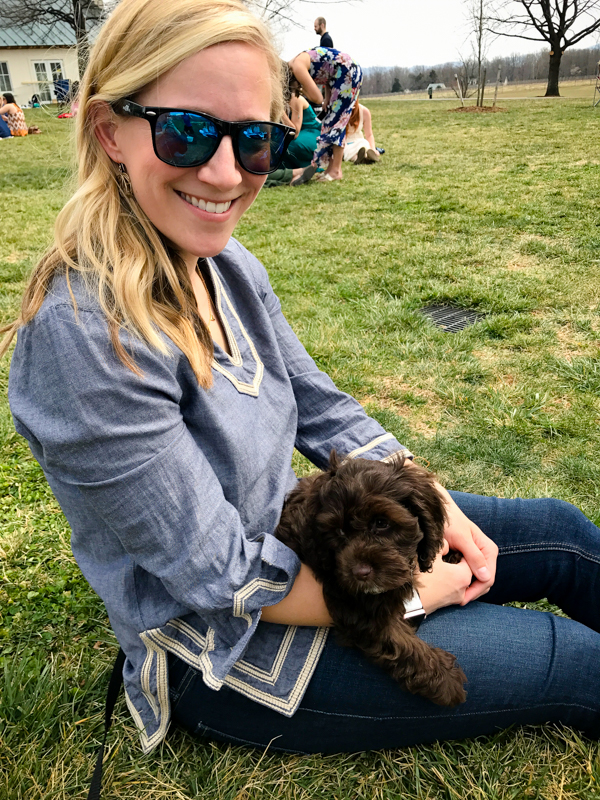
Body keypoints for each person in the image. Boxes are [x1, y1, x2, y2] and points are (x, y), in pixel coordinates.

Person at [4, 0, 600, 767]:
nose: (225, 173)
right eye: (185, 130)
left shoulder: (224, 263)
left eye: (255, 140)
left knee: (563, 535)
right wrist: (414, 592)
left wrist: (434, 499)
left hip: (315, 540)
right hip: (232, 649)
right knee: (579, 661)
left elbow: (319, 406)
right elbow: (219, 577)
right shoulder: (86, 339)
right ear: (109, 130)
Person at [288, 47, 362, 183]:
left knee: (337, 122)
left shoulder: (297, 67)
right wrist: (328, 97)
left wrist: (300, 89)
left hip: (347, 72)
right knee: (329, 122)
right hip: (340, 73)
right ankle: (330, 169)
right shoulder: (295, 63)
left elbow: (316, 98)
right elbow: (328, 70)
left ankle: (336, 171)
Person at [343, 98, 380, 164]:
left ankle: (367, 156)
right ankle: (362, 159)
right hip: (344, 141)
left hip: (358, 140)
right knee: (347, 151)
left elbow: (369, 135)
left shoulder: (364, 111)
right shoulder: (338, 111)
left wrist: (373, 148)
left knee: (363, 145)